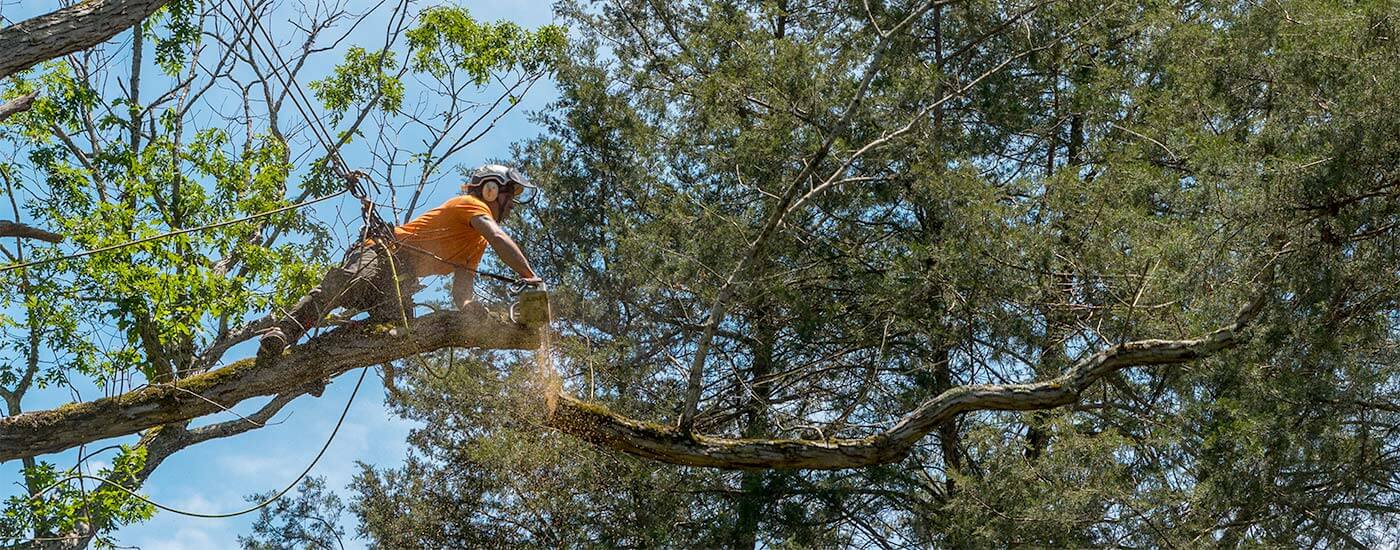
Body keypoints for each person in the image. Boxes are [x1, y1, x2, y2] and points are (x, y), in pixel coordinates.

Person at [256, 163, 543, 362]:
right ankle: (284, 331)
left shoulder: (475, 244)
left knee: (393, 337)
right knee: (350, 285)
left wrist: (470, 308)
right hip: (385, 256)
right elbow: (497, 237)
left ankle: (313, 359)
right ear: (491, 190)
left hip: (401, 284)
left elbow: (461, 291)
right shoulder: (470, 205)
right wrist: (530, 277)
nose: (511, 204)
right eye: (509, 195)